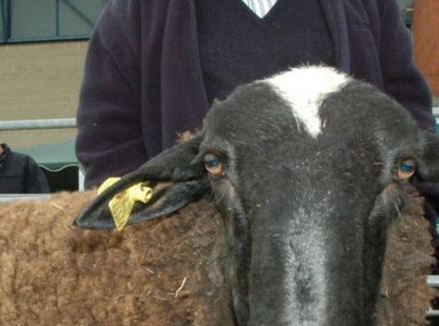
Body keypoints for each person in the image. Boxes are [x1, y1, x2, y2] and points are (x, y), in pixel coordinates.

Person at [75, 0, 435, 188]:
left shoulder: (365, 6)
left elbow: (407, 120)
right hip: (199, 271)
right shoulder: (136, 13)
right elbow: (108, 144)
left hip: (342, 265)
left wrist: (411, 225)